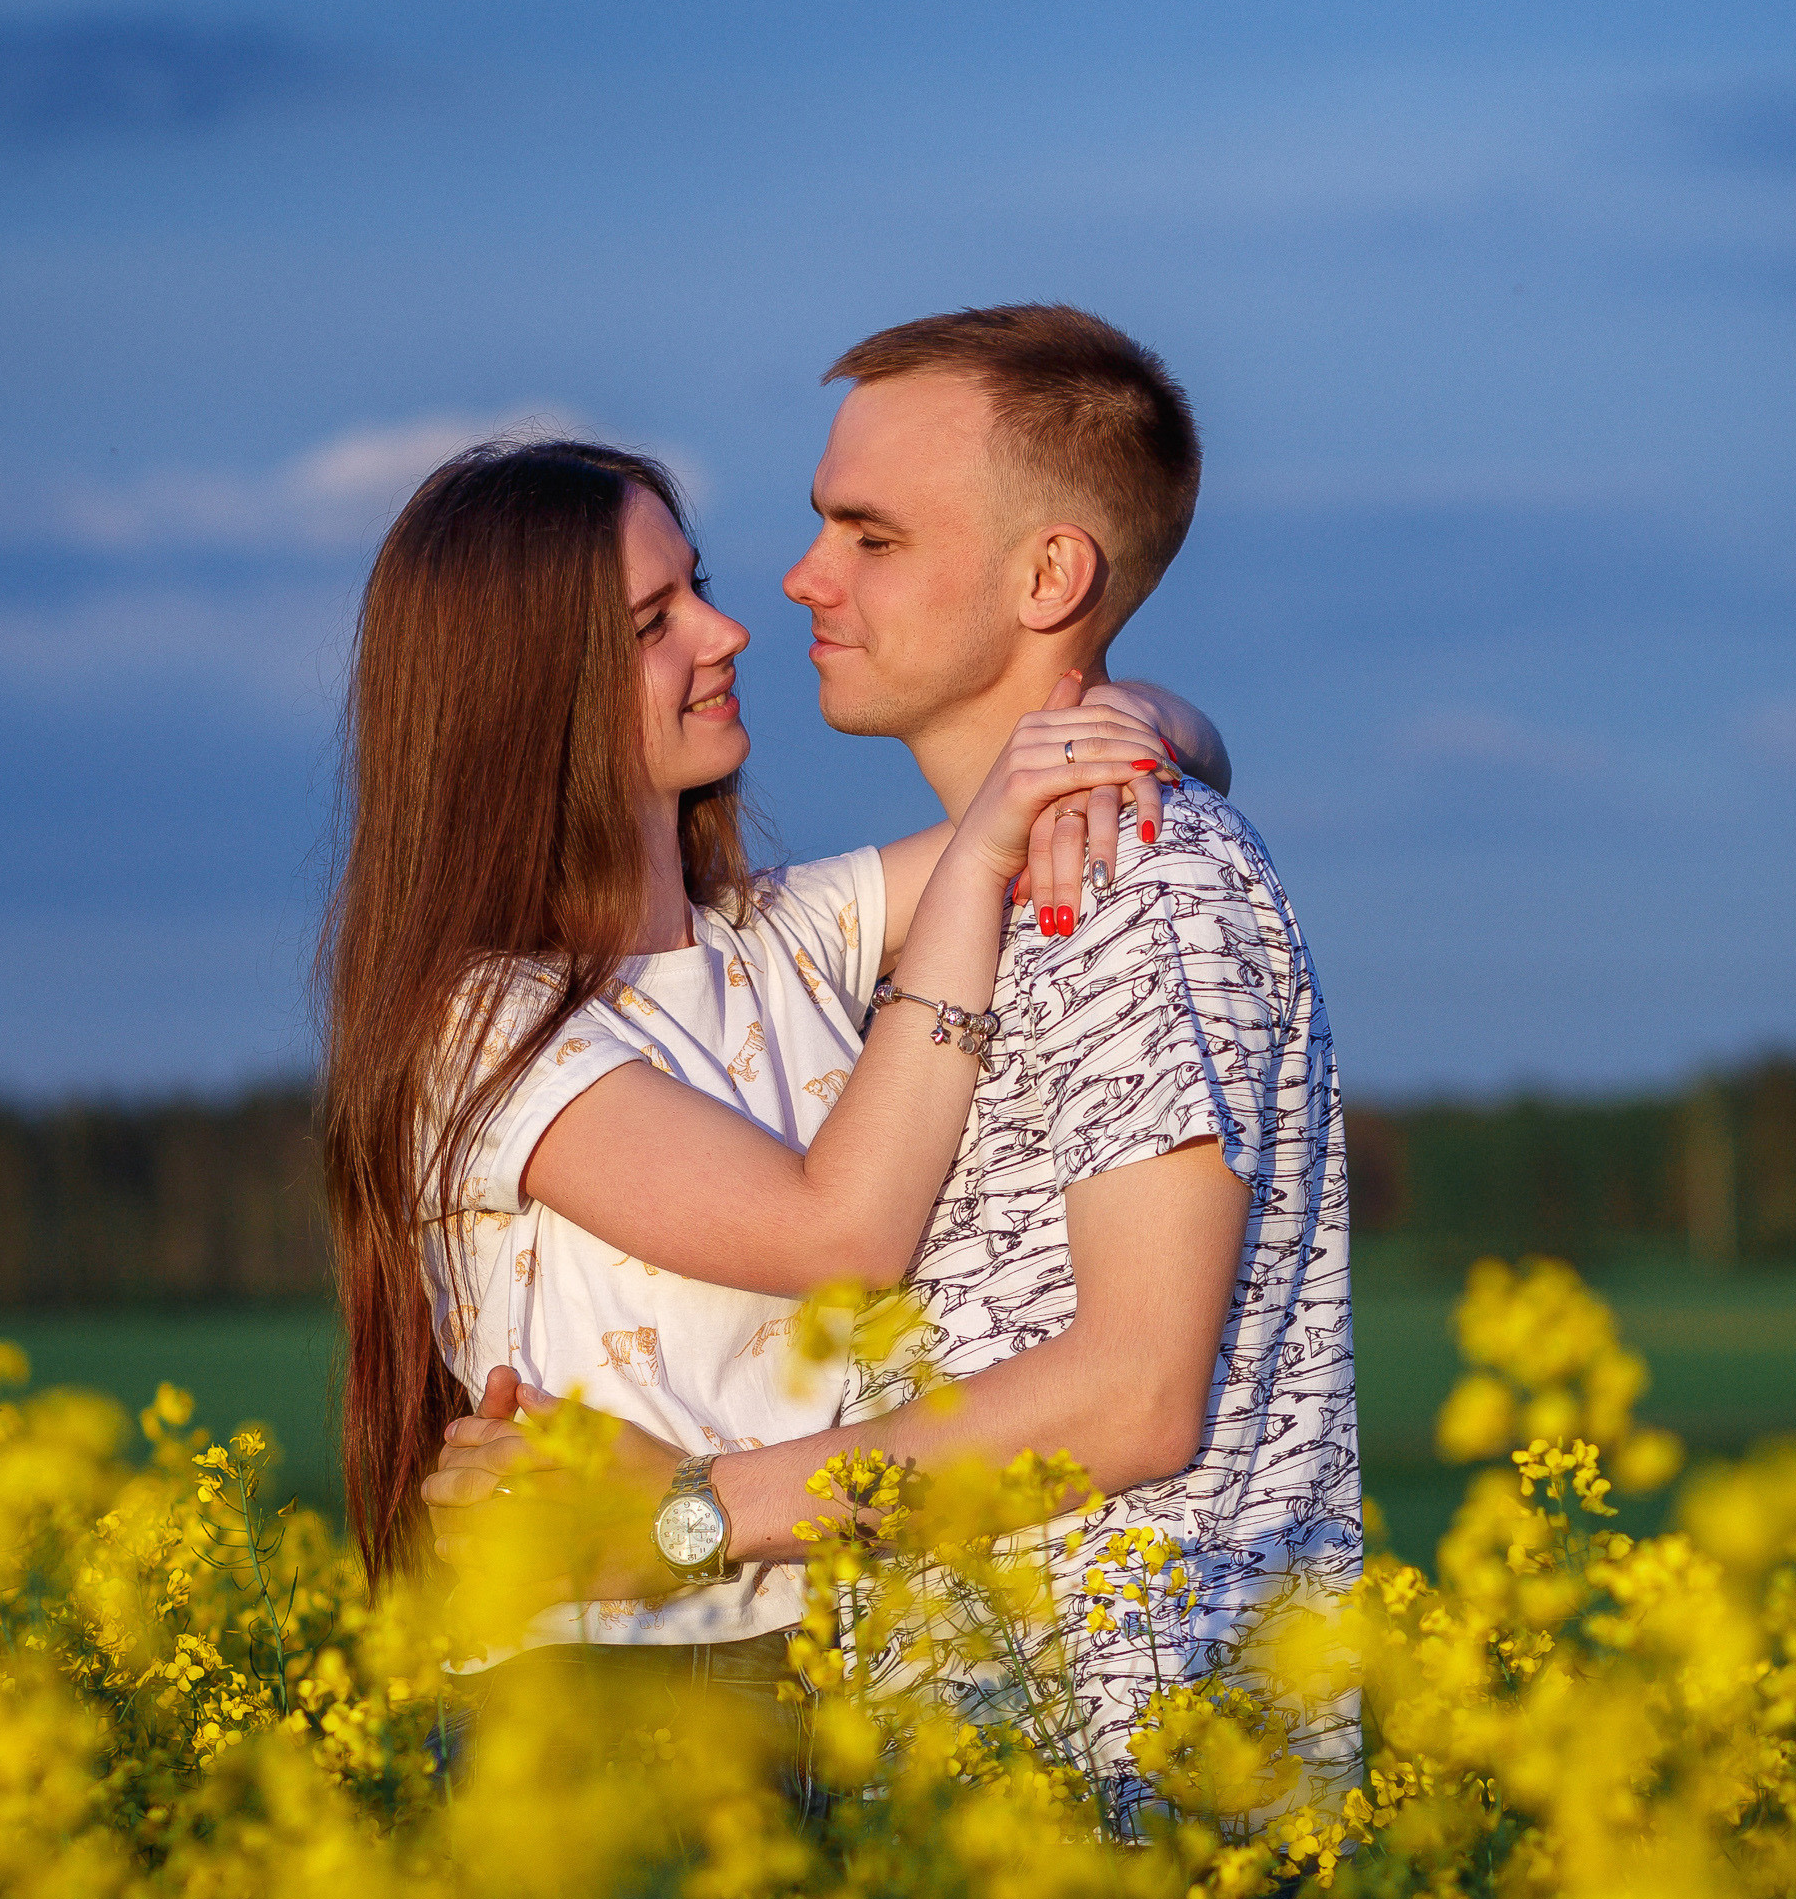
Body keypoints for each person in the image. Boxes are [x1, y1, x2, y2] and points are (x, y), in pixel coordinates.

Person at [427, 309, 1361, 1814]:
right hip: (949, 1789)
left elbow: (1132, 1398)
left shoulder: (1125, 882)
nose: (786, 593)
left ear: (1049, 577)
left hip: (1132, 1796)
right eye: (813, 531)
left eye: (868, 534)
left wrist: (678, 1517)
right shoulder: (983, 900)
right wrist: (1119, 728)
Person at [318, 434, 1223, 1715]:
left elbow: (1194, 752)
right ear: (528, 696)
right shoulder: (477, 1025)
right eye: (653, 622)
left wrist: (1112, 723)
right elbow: (837, 1231)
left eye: (698, 586)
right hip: (614, 1684)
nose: (729, 631)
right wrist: (980, 860)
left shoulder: (779, 936)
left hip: (822, 1656)